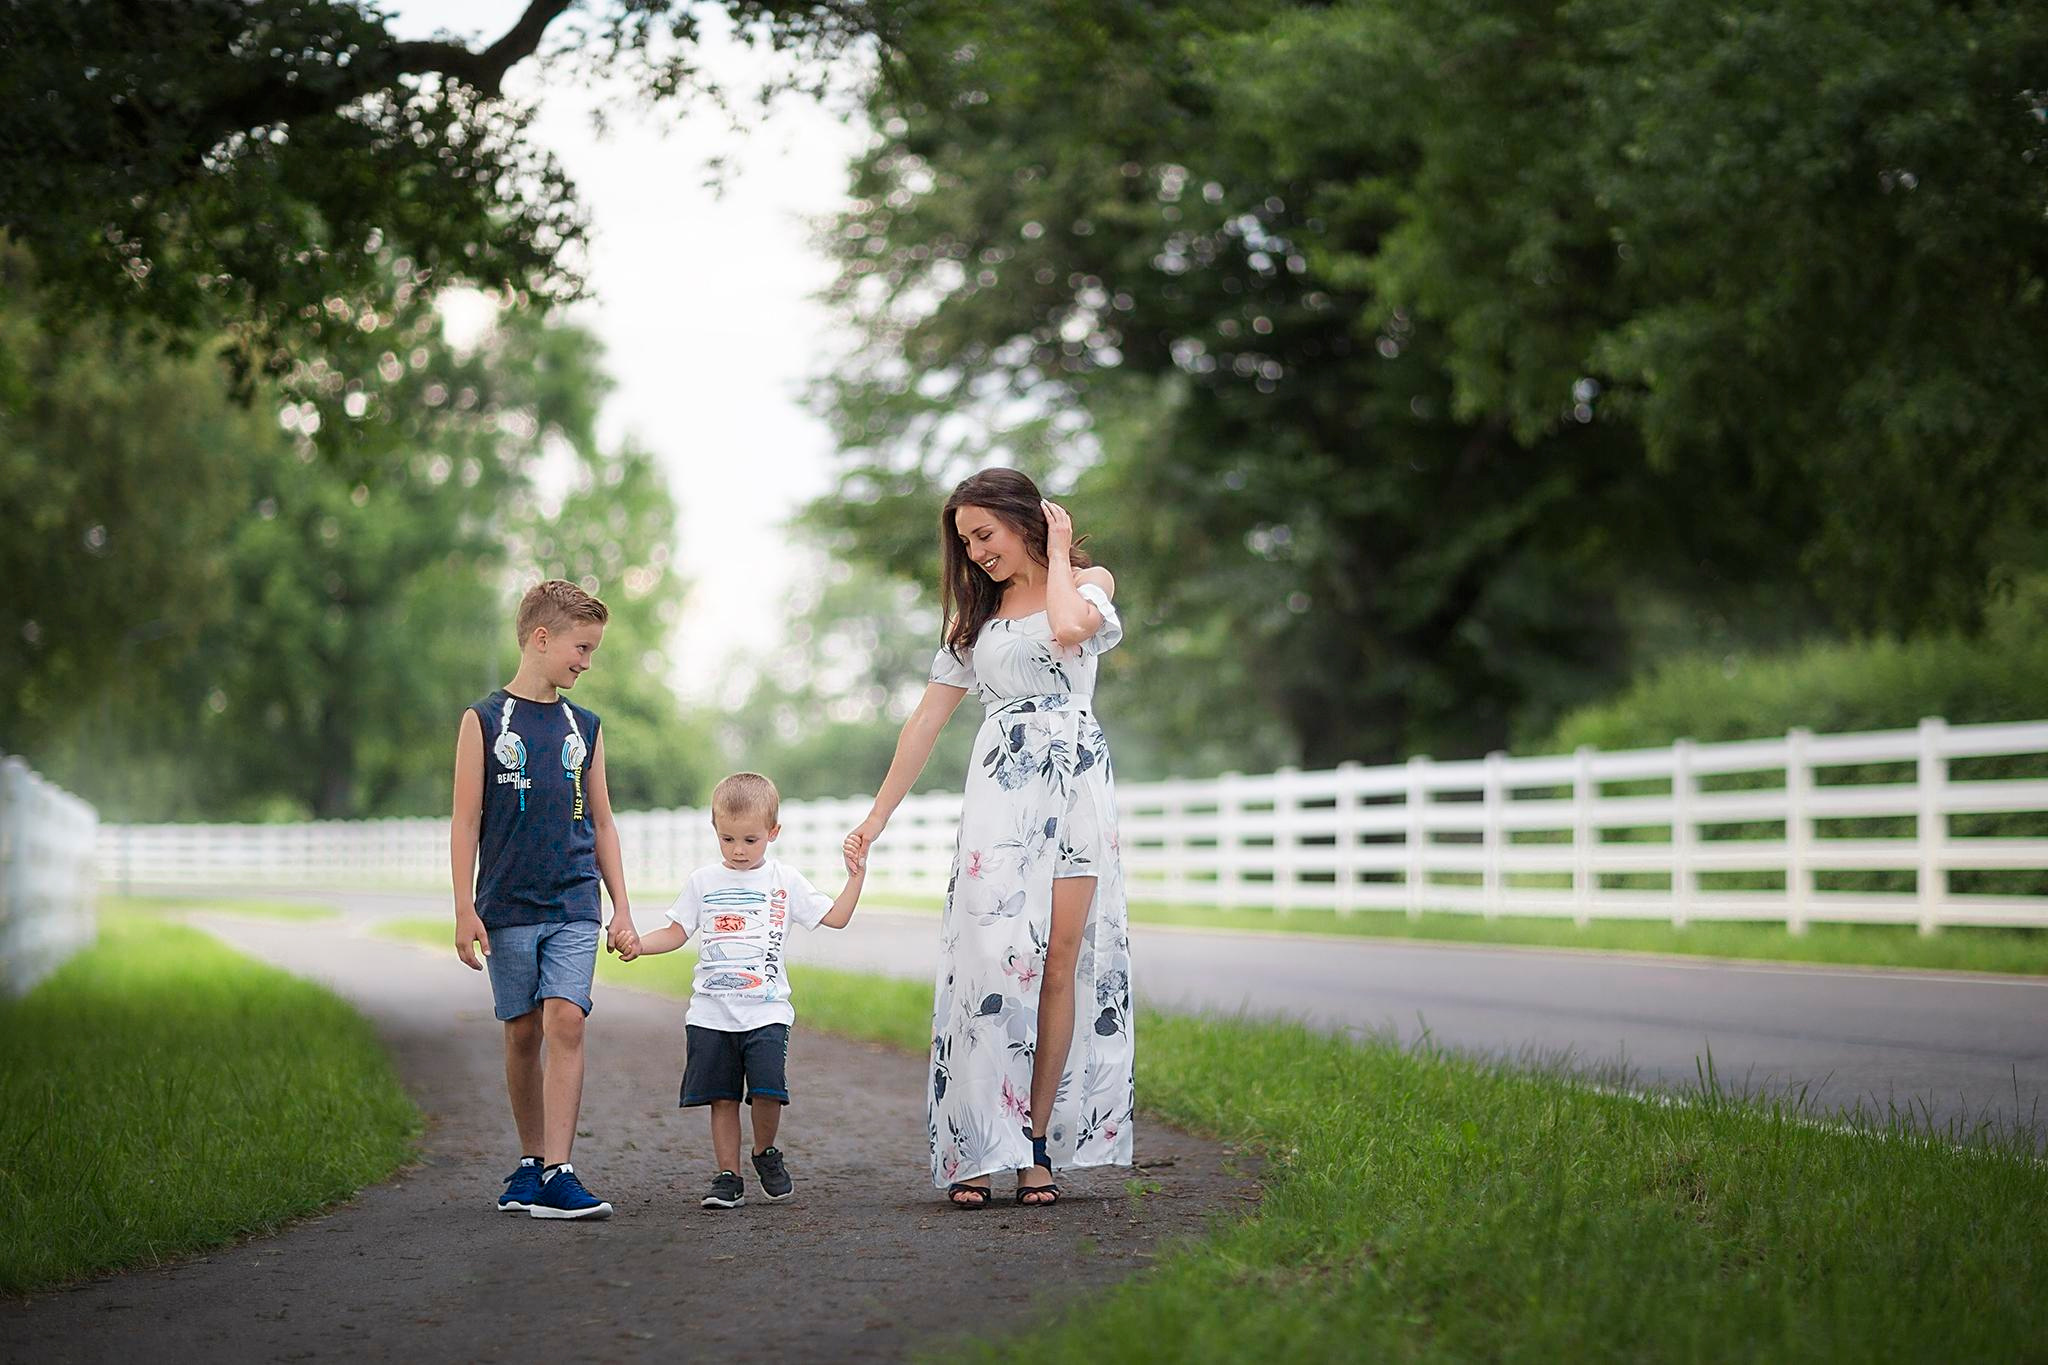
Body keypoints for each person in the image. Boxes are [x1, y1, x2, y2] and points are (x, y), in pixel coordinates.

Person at [843, 468, 1133, 1209]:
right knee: (994, 963)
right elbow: (924, 724)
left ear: (1025, 519)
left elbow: (1069, 629)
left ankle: (1034, 1144)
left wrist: (1059, 552)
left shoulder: (1088, 582)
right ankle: (977, 1143)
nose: (974, 553)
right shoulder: (975, 621)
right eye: (965, 542)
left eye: (984, 534)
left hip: (1078, 790)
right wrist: (876, 818)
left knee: (1060, 964)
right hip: (1003, 795)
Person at [451, 578, 639, 1221]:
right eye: (581, 649)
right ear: (540, 638)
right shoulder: (483, 721)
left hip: (574, 900)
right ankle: (531, 1161)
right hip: (506, 902)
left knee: (566, 1019)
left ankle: (560, 1170)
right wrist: (464, 908)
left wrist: (620, 906)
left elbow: (604, 823)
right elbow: (465, 823)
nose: (587, 662)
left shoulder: (584, 727)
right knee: (523, 1030)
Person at [619, 771, 867, 1209]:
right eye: (727, 839)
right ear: (715, 829)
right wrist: (640, 945)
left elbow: (837, 918)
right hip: (710, 1013)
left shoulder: (784, 880)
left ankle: (764, 1151)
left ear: (773, 832)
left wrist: (855, 877)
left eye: (750, 840)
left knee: (768, 1092)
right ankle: (727, 1176)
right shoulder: (703, 882)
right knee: (723, 1097)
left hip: (766, 1011)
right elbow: (676, 932)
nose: (738, 850)